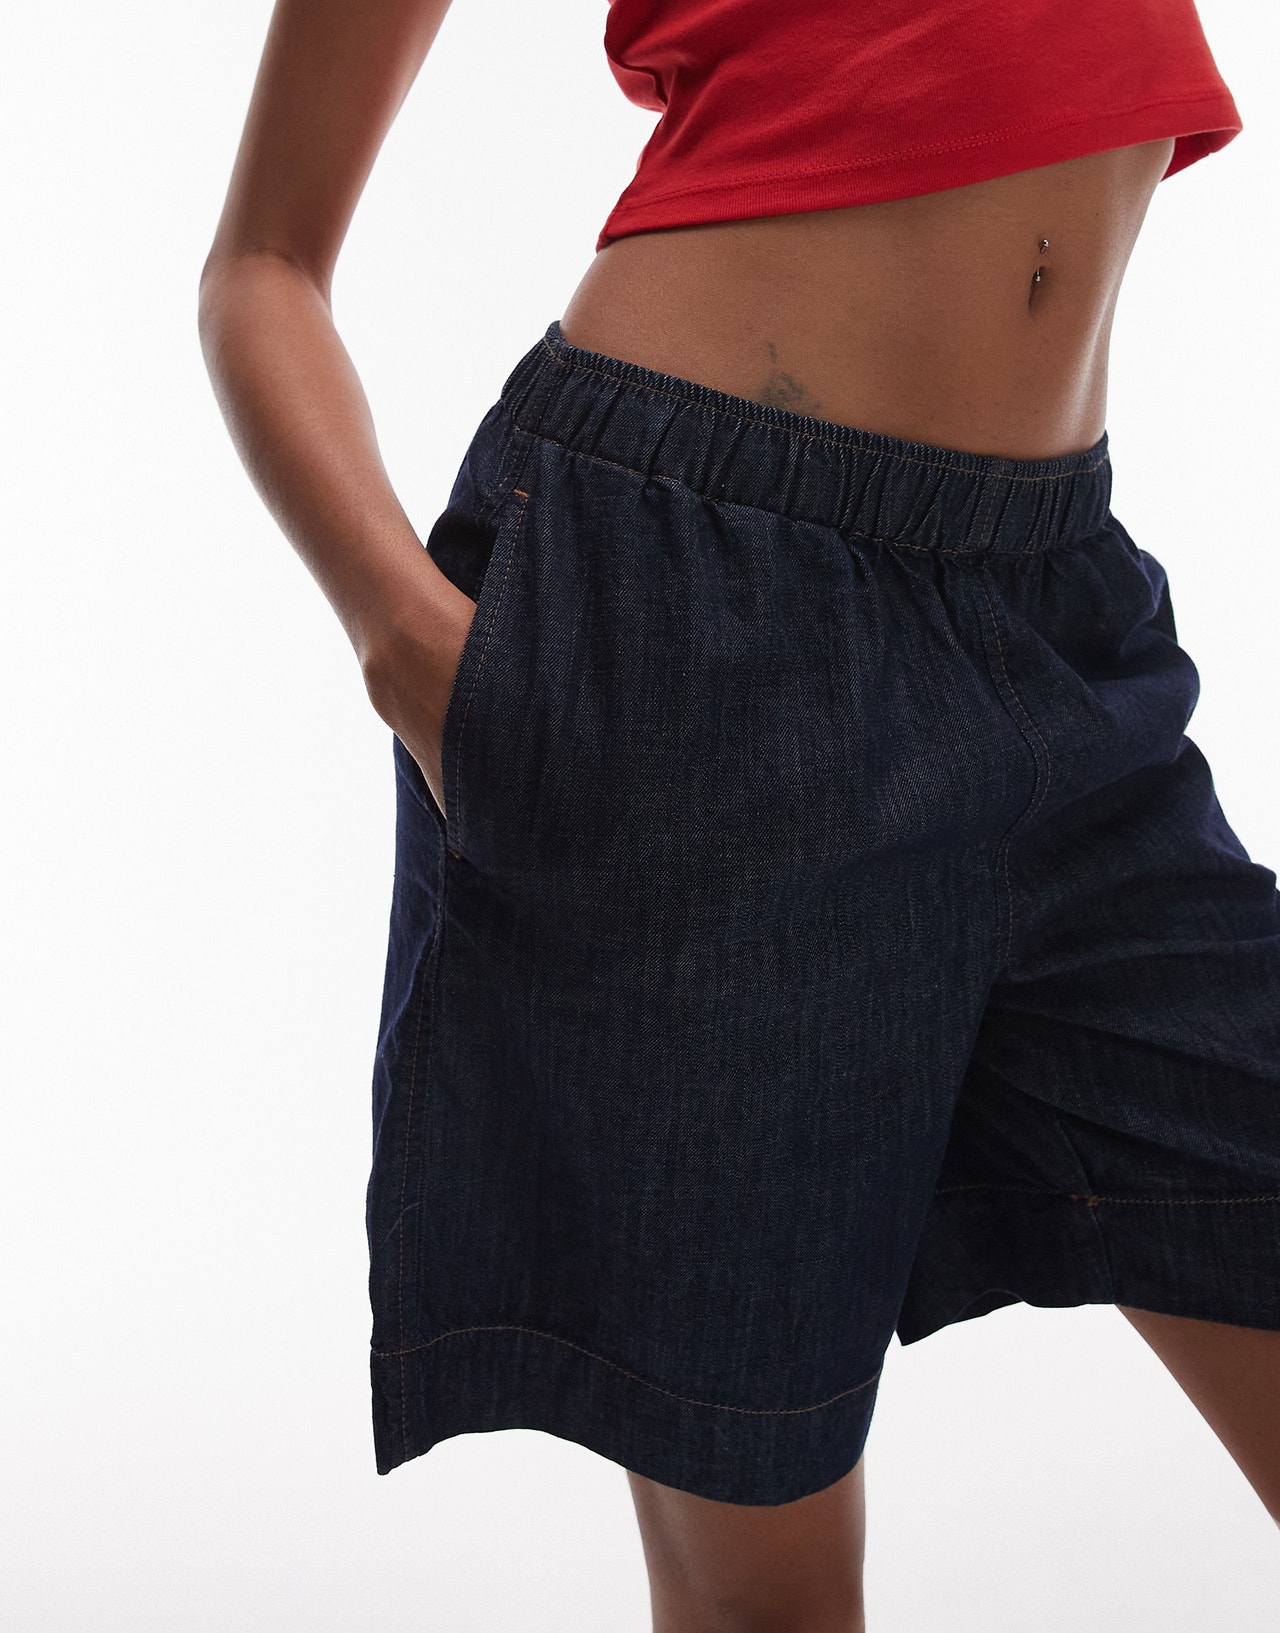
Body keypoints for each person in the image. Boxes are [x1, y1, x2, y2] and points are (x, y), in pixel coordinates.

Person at [198, 2, 1280, 1626]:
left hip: (1060, 626)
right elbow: (261, 263)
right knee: (767, 1593)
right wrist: (411, 651)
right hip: (706, 623)